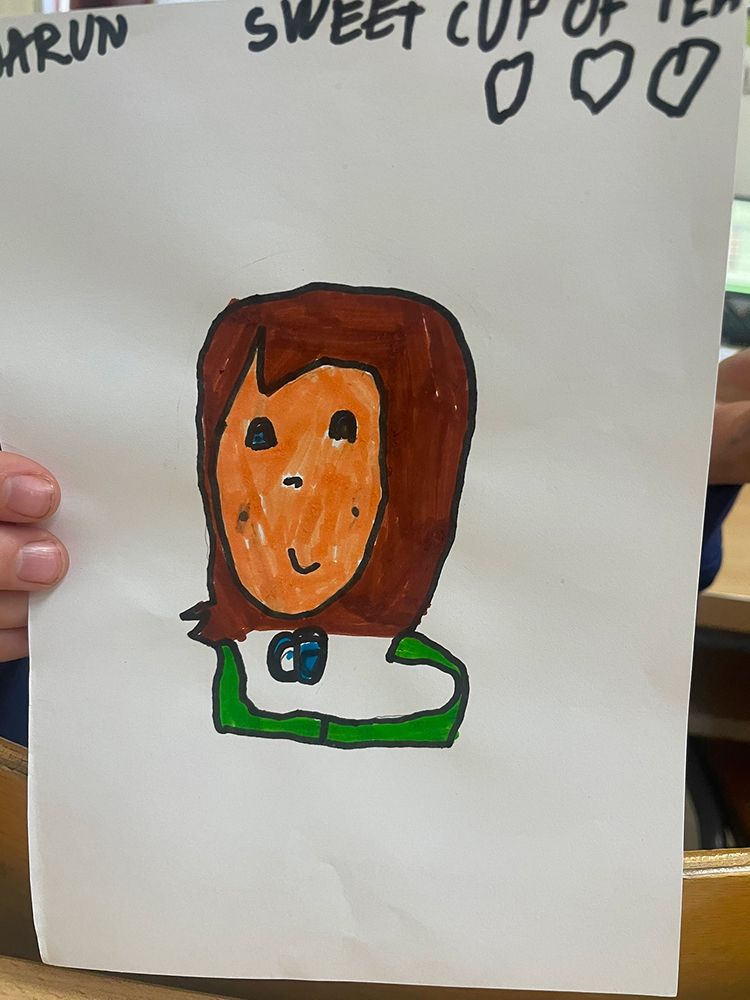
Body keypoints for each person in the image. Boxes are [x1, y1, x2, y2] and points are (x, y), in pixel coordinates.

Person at [3, 346, 750, 745]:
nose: (297, 478)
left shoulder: (435, 677)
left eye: (343, 432)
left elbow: (600, 621)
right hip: (50, 815)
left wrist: (669, 473)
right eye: (260, 435)